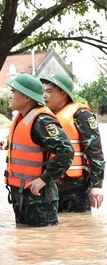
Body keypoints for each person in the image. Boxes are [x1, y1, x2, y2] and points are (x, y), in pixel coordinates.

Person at [0, 73, 73, 227]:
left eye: (13, 92)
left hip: (39, 198)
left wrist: (45, 179)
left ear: (26, 98)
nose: (10, 96)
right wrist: (6, 142)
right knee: (25, 245)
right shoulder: (23, 118)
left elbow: (66, 151)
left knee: (43, 246)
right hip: (21, 195)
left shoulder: (42, 120)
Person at [40, 73, 104, 212]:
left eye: (49, 91)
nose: (44, 95)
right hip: (50, 184)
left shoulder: (82, 116)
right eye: (43, 91)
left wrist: (97, 186)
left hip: (76, 186)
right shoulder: (44, 117)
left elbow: (95, 151)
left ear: (63, 94)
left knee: (77, 228)